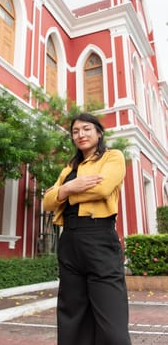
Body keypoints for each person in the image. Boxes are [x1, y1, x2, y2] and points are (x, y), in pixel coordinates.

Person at [43, 113, 131, 345]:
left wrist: (65, 194)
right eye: (75, 131)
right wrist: (69, 187)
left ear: (99, 132)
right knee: (72, 315)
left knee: (112, 322)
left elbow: (102, 189)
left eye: (86, 129)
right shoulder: (69, 169)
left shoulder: (113, 157)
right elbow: (47, 201)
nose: (80, 134)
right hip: (70, 240)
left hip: (99, 237)